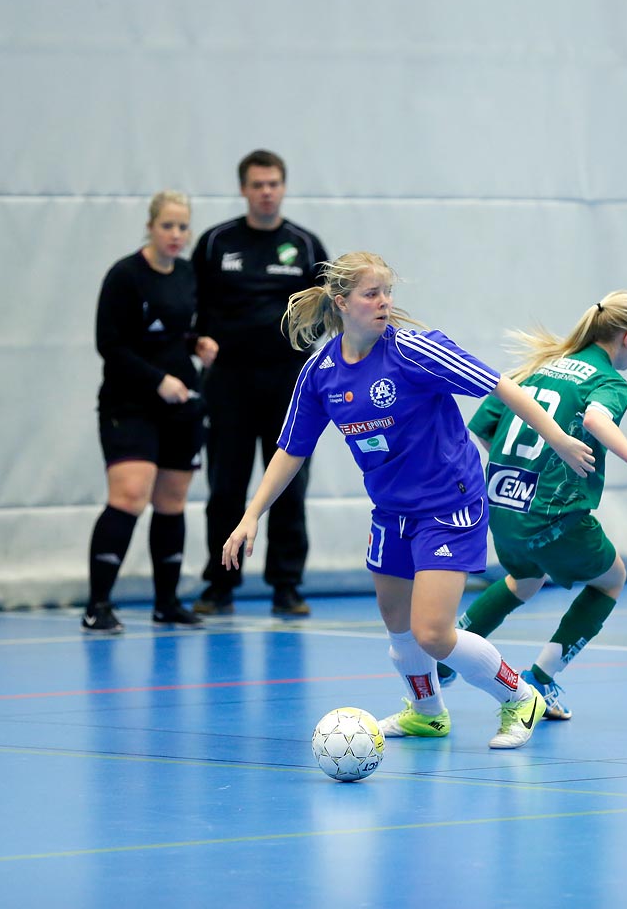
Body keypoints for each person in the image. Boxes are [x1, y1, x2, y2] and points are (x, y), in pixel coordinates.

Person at [221, 252, 597, 750]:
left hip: (450, 504)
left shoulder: (417, 350)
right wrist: (251, 516)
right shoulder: (321, 373)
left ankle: (519, 696)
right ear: (341, 302)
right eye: (371, 294)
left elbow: (503, 386)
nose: (384, 303)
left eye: (387, 293)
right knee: (397, 621)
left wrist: (558, 440)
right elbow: (292, 447)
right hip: (391, 512)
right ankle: (426, 713)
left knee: (433, 632)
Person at [436, 290, 627, 719]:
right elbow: (596, 419)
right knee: (611, 580)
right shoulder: (609, 381)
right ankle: (541, 678)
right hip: (553, 515)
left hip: (502, 507)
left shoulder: (537, 366)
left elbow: (483, 429)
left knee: (525, 578)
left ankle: (447, 658)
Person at [191, 150, 328, 617]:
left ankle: (286, 585)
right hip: (228, 383)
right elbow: (190, 305)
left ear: (283, 187)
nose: (266, 191)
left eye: (273, 183)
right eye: (257, 184)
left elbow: (330, 310)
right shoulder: (215, 243)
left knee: (289, 485)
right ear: (244, 189)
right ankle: (220, 585)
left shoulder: (306, 246)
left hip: (290, 384)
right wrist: (197, 341)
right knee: (226, 487)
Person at [81, 191, 219, 634]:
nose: (176, 235)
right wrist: (157, 380)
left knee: (172, 501)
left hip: (182, 405)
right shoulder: (124, 276)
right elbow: (110, 344)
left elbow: (186, 328)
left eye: (183, 227)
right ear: (150, 226)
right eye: (167, 226)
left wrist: (199, 344)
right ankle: (97, 604)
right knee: (129, 495)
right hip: (131, 404)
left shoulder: (188, 274)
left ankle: (167, 602)